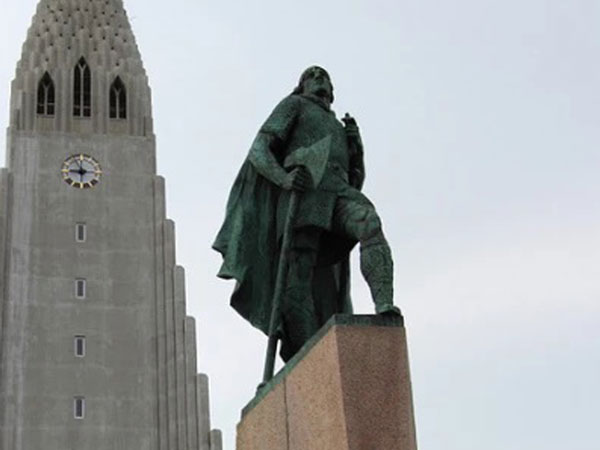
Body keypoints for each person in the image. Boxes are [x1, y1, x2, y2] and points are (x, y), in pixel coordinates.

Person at [213, 66, 400, 362]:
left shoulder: (339, 126)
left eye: (325, 77)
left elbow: (356, 179)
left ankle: (385, 305)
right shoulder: (294, 106)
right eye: (312, 76)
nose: (319, 80)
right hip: (305, 196)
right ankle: (310, 353)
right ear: (301, 86)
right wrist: (283, 178)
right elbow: (260, 149)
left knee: (369, 223)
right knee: (297, 279)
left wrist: (357, 149)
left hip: (338, 192)